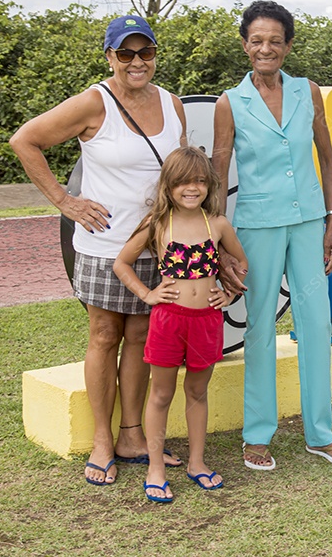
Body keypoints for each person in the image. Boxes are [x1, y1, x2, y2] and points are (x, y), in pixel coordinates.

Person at [10, 15, 238, 486]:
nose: (137, 62)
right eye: (126, 53)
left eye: (146, 52)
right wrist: (65, 201)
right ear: (110, 56)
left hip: (161, 244)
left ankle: (131, 434)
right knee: (103, 336)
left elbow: (178, 173)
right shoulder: (95, 102)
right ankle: (101, 439)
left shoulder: (172, 104)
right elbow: (25, 139)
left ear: (155, 55)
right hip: (105, 244)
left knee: (141, 338)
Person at [212, 0, 332, 470]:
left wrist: (331, 220)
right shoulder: (229, 103)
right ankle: (258, 434)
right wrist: (217, 243)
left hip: (310, 222)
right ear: (244, 45)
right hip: (256, 227)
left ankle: (320, 433)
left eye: (275, 40)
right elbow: (217, 173)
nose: (266, 48)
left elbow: (328, 160)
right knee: (260, 329)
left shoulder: (307, 92)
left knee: (316, 323)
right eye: (257, 40)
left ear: (288, 45)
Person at [113, 146, 248, 502]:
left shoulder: (216, 223)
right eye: (185, 182)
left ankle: (197, 463)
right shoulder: (158, 223)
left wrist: (229, 296)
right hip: (168, 320)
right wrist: (147, 294)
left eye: (201, 181)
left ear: (209, 185)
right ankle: (155, 467)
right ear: (169, 185)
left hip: (206, 321)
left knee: (197, 393)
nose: (193, 188)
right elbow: (121, 263)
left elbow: (241, 262)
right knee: (160, 394)